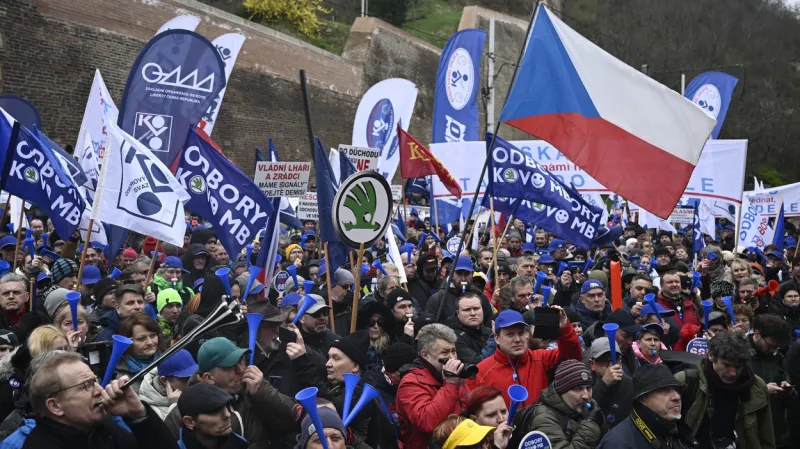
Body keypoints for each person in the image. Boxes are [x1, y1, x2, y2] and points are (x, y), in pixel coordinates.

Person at [163, 337, 302, 449]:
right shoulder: (181, 413)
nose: (240, 370)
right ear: (209, 378)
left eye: (241, 361)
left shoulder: (254, 392)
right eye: (229, 366)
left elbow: (293, 420)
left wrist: (263, 391)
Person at [23, 351, 178, 449]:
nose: (100, 390)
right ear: (55, 406)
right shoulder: (39, 445)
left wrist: (139, 416)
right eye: (86, 385)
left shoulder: (104, 430)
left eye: (95, 381)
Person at [674, 331, 774, 449]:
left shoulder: (756, 386)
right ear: (711, 356)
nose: (733, 373)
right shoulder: (685, 381)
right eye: (727, 365)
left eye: (738, 367)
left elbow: (766, 437)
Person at [467, 307, 583, 406]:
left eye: (521, 333)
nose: (517, 339)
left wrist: (565, 329)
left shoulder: (542, 358)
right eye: (510, 334)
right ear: (497, 338)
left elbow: (572, 358)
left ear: (527, 334)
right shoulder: (482, 371)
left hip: (539, 424)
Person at [396, 323, 470, 448]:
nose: (452, 358)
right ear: (425, 355)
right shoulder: (411, 383)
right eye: (445, 352)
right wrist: (451, 383)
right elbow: (428, 422)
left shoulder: (452, 374)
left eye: (453, 351)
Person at [598, 364, 696, 449]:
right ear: (643, 398)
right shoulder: (618, 443)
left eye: (677, 390)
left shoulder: (677, 432)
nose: (676, 397)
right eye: (665, 390)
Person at [509, 360, 604, 449]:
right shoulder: (544, 417)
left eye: (588, 388)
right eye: (577, 389)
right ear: (561, 391)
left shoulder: (583, 409)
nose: (586, 395)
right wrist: (591, 424)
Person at [748, 314, 792, 449]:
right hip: (751, 429)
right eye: (770, 345)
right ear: (757, 334)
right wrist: (763, 391)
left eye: (776, 347)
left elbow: (786, 380)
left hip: (777, 429)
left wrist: (788, 390)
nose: (773, 350)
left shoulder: (778, 357)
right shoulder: (740, 355)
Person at [425, 256, 492, 326]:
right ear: (452, 274)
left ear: (472, 274)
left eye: (467, 274)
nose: (463, 278)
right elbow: (429, 327)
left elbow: (489, 324)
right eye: (459, 273)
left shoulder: (480, 297)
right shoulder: (438, 299)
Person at [177, 383, 247, 449]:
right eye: (215, 411)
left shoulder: (240, 443)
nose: (227, 414)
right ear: (190, 422)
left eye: (226, 406)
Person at [139, 349, 197, 420]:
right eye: (185, 379)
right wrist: (175, 406)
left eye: (195, 375)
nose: (192, 381)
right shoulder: (150, 410)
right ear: (164, 380)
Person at [588, 337, 633, 428]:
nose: (610, 365)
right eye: (603, 359)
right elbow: (585, 410)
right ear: (592, 364)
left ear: (620, 362)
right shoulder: (584, 384)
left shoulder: (631, 385)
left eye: (614, 359)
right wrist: (604, 384)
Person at [117, 313, 163, 393]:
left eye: (153, 335)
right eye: (141, 339)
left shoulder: (169, 359)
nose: (150, 342)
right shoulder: (119, 376)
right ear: (127, 342)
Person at [446, 292, 494, 366]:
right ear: (457, 313)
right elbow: (476, 363)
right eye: (467, 310)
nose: (473, 313)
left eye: (476, 308)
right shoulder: (452, 337)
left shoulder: (489, 331)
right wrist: (493, 340)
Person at [0, 273, 44, 342]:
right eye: (6, 293)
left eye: (16, 292)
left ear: (27, 297)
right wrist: (24, 325)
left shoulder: (40, 316)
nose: (11, 296)